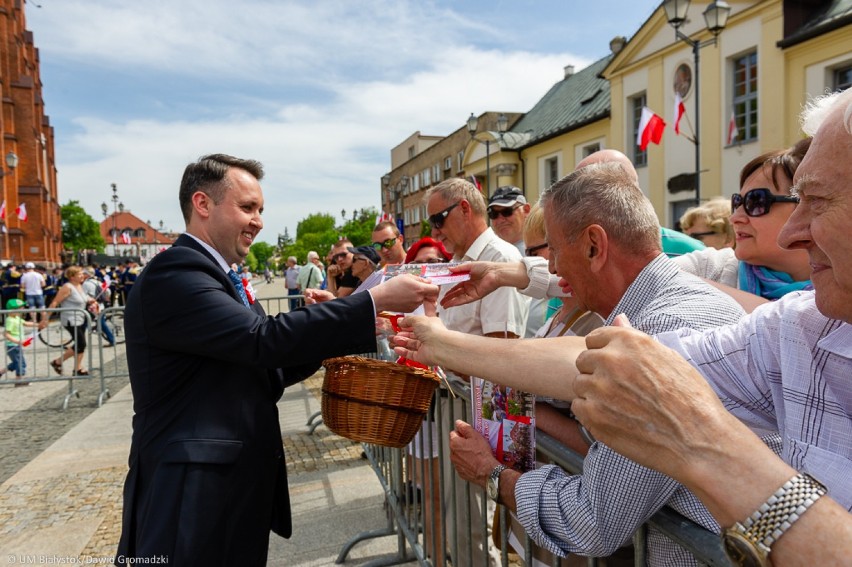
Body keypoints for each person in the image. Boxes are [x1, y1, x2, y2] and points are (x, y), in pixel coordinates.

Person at [396, 162, 747, 565]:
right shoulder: (668, 304)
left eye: (556, 252)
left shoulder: (660, 332)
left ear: (594, 246)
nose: (555, 270)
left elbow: (590, 520)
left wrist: (491, 474)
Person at [572, 90, 852, 566]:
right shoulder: (803, 324)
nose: (791, 233)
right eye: (738, 200)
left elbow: (596, 519)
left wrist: (707, 444)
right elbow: (625, 354)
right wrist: (445, 342)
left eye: (818, 200)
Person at [115, 153, 438, 566]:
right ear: (202, 204)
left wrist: (344, 328)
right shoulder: (176, 273)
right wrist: (368, 303)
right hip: (190, 496)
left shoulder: (215, 274)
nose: (259, 221)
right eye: (247, 208)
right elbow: (261, 340)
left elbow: (270, 366)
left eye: (261, 210)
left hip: (225, 491)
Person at [425, 176, 529, 567]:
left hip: (484, 409)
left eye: (439, 219)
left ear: (465, 209)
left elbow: (501, 349)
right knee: (460, 511)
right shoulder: (458, 263)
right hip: (460, 400)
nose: (435, 232)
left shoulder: (499, 260)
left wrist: (435, 349)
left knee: (473, 516)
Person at [674, 140, 812, 303]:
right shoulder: (710, 268)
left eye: (755, 201)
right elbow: (648, 279)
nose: (735, 218)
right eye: (737, 202)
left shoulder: (842, 293)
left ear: (806, 207)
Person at [44, 265, 96, 376]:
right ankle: (59, 362)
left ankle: (76, 368)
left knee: (79, 344)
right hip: (70, 320)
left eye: (82, 273)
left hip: (81, 318)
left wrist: (90, 301)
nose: (82, 276)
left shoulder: (79, 286)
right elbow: (55, 302)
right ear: (72, 276)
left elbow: (83, 299)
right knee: (81, 343)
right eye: (80, 274)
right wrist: (45, 319)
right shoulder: (67, 287)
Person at [3, 298, 38, 386]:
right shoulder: (10, 320)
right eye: (20, 309)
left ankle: (1, 372)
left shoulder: (16, 318)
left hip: (16, 345)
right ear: (12, 310)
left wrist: (38, 324)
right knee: (20, 363)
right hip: (12, 345)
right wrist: (18, 341)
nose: (22, 310)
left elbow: (26, 323)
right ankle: (19, 380)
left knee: (16, 362)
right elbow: (6, 334)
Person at [487, 186, 531, 255]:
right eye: (493, 214)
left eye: (507, 211)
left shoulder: (543, 248)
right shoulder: (488, 254)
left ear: (526, 210)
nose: (500, 220)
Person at [82, 268, 116, 347]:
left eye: (84, 274)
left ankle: (79, 342)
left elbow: (83, 296)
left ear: (87, 274)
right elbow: (108, 291)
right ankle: (79, 342)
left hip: (92, 307)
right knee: (100, 323)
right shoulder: (98, 282)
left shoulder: (86, 283)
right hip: (100, 305)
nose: (83, 275)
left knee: (85, 324)